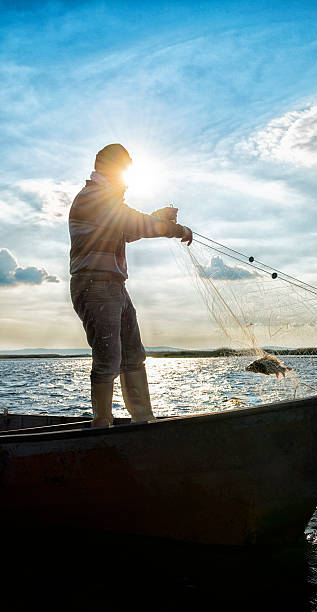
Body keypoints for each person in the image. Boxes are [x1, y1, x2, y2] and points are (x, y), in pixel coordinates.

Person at [69, 143, 193, 427]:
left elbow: (127, 230)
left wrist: (157, 218)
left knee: (134, 356)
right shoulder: (93, 197)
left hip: (113, 285)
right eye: (125, 171)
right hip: (95, 285)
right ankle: (101, 426)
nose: (127, 178)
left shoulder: (105, 201)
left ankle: (144, 423)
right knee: (108, 359)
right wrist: (175, 229)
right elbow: (133, 223)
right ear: (111, 169)